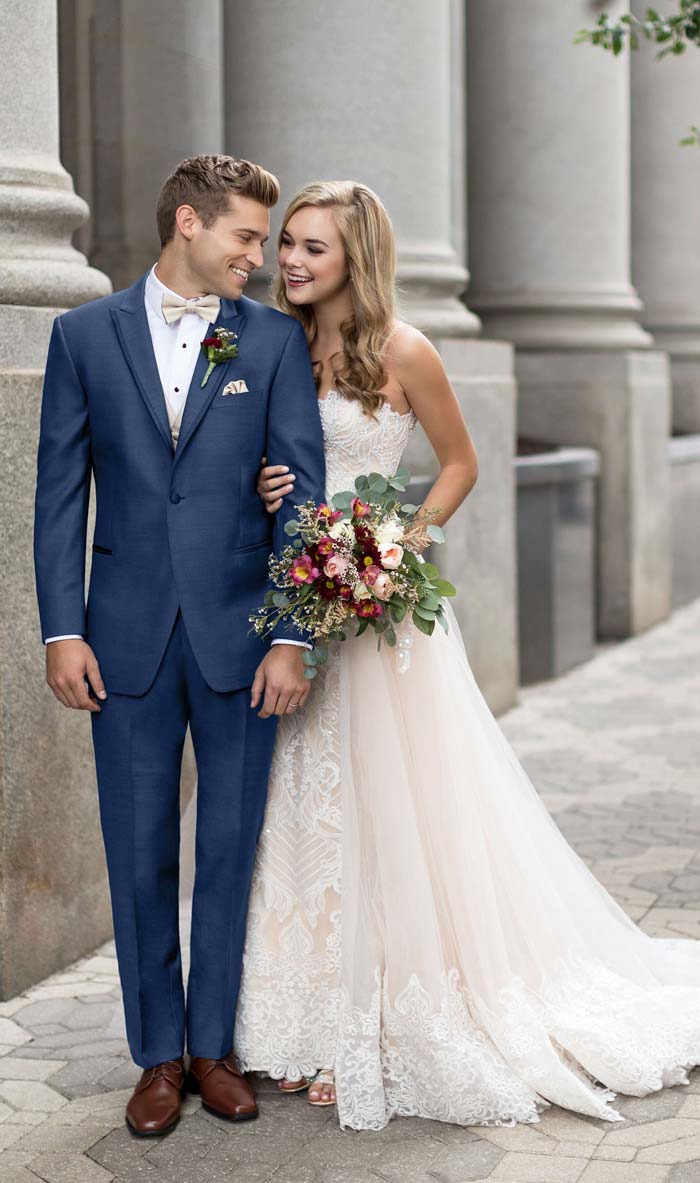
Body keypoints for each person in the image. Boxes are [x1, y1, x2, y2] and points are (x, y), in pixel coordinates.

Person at [233, 179, 700, 1131]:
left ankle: (379, 1018)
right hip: (289, 597)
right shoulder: (271, 343)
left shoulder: (403, 348)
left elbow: (460, 463)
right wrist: (258, 481)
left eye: (314, 248)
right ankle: (302, 1010)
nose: (291, 261)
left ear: (356, 256)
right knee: (310, 803)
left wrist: (396, 543)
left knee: (394, 808)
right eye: (288, 243)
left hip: (375, 611)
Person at [33, 154, 326, 1137]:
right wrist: (61, 626)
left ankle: (215, 1048)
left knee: (230, 848)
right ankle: (158, 1055)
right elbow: (59, 495)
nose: (261, 256)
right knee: (138, 847)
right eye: (246, 236)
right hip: (119, 639)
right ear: (189, 223)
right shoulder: (83, 336)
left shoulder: (273, 345)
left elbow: (304, 498)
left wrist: (291, 634)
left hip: (242, 635)